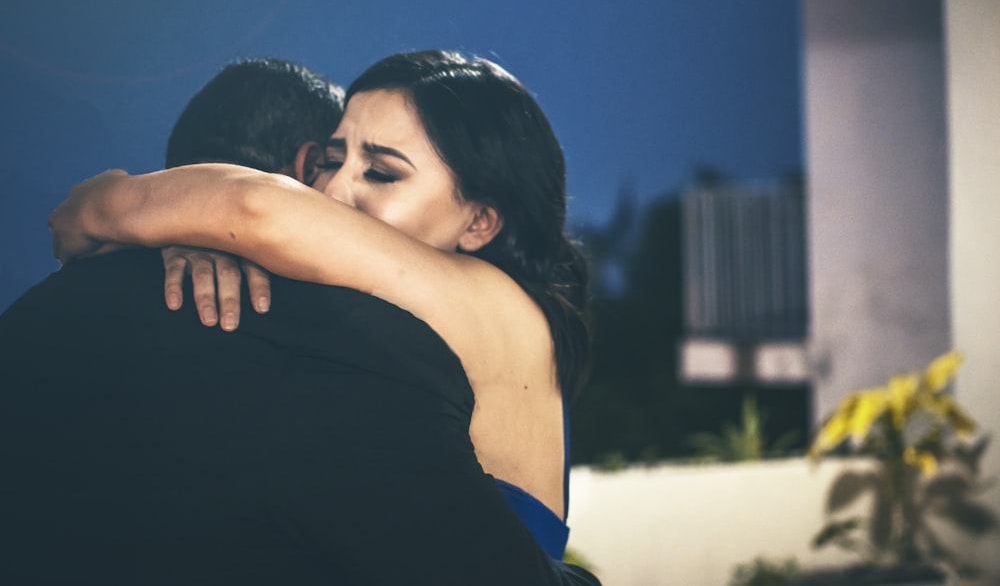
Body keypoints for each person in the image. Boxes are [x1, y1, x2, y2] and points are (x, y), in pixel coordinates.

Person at [2, 57, 599, 585]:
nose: (333, 190)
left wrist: (102, 204)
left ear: (480, 223)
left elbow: (258, 207)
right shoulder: (395, 323)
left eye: (382, 172)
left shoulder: (487, 298)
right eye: (332, 160)